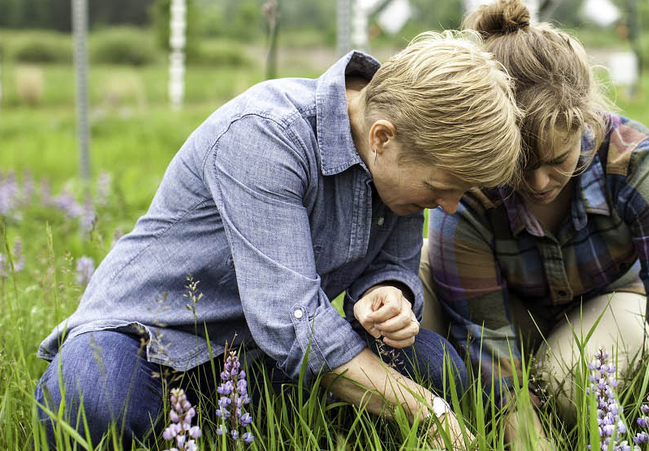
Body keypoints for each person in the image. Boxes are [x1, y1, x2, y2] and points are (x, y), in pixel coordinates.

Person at [35, 32, 523, 450]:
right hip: (152, 337)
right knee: (95, 401)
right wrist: (425, 413)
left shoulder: (399, 162)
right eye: (440, 188)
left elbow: (387, 265)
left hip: (252, 357)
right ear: (382, 138)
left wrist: (388, 292)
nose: (451, 206)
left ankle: (234, 423)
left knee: (437, 369)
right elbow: (293, 324)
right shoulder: (265, 135)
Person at [422, 0, 649, 446]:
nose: (539, 182)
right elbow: (488, 336)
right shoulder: (471, 189)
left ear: (585, 121)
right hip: (506, 315)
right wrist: (518, 421)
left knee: (568, 382)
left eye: (558, 160)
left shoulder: (638, 163)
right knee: (416, 282)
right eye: (519, 164)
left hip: (612, 303)